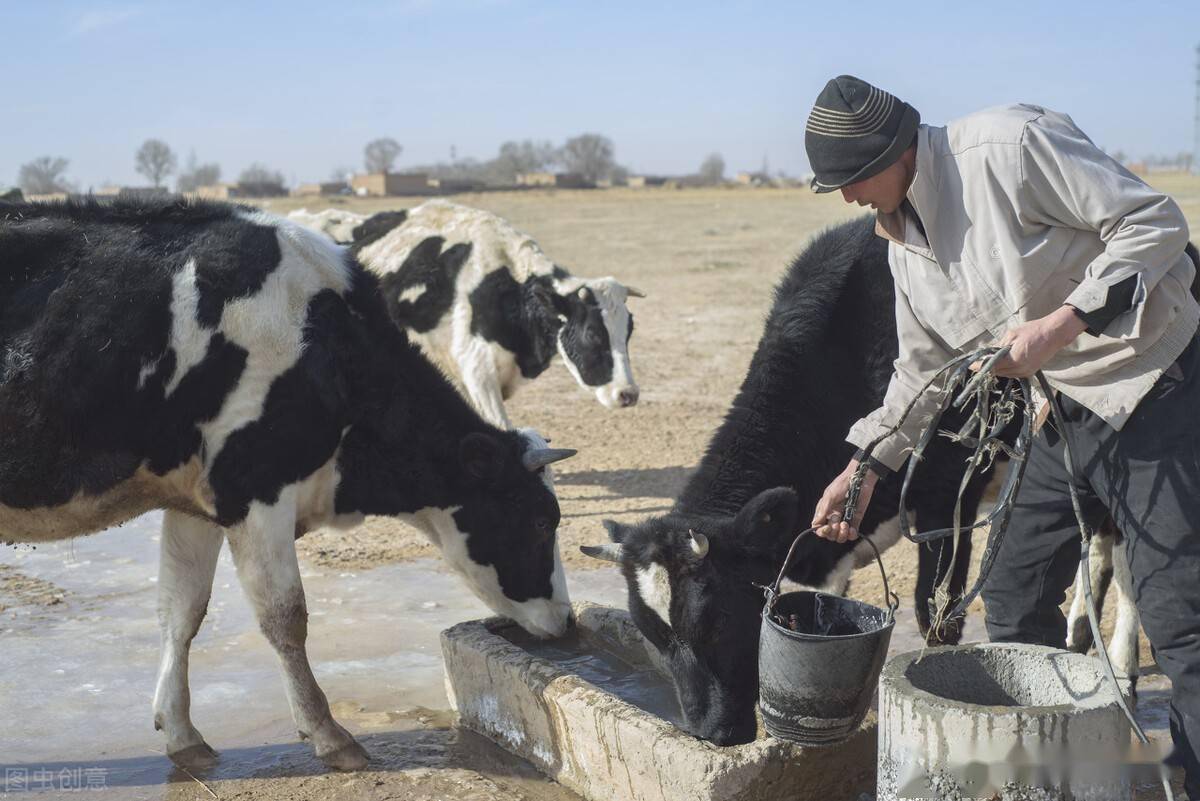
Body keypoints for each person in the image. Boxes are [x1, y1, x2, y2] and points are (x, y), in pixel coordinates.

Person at [805, 74, 1200, 795]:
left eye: (850, 179)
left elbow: (1156, 224)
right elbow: (921, 369)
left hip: (1155, 380)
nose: (846, 199)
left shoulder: (1009, 147)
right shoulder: (902, 241)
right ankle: (1066, 770)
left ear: (890, 153)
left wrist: (1059, 325)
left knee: (1181, 621)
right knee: (1015, 595)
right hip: (1062, 411)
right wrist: (864, 467)